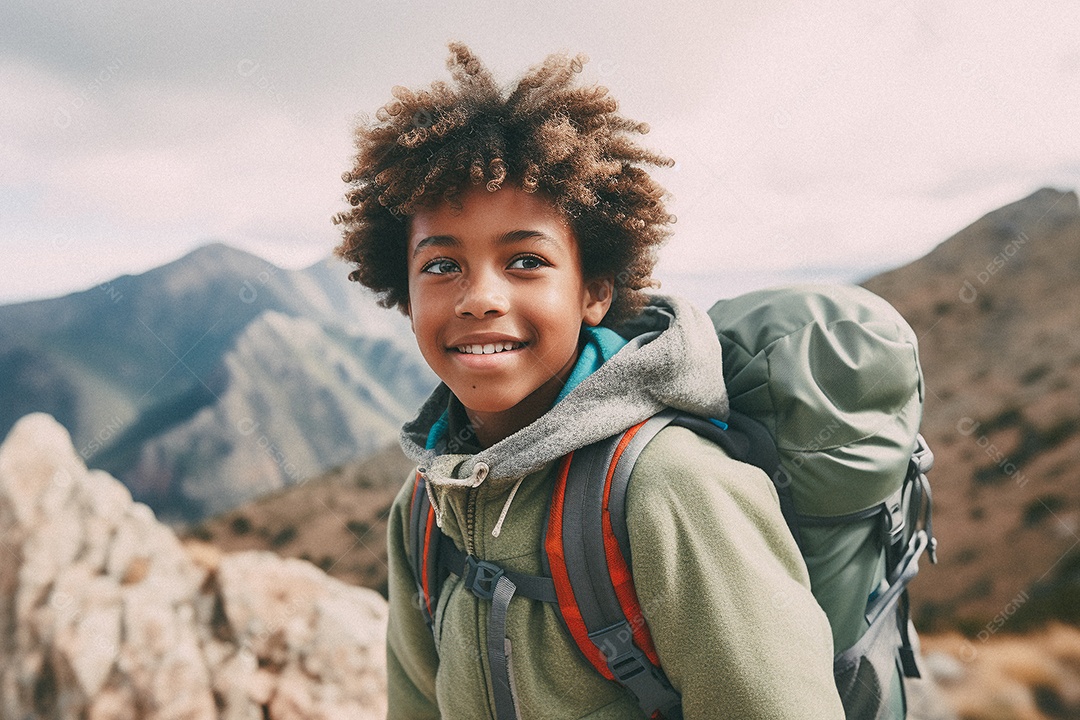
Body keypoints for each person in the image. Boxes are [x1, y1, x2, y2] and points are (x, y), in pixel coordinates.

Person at [335, 43, 845, 720]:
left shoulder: (671, 488)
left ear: (594, 291)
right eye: (440, 266)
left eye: (524, 260)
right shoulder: (427, 507)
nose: (479, 298)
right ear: (403, 289)